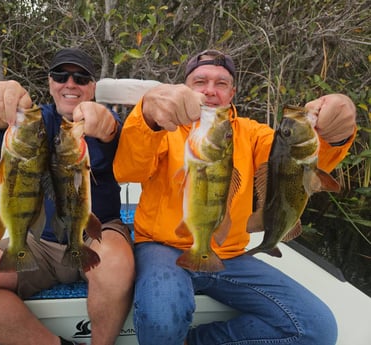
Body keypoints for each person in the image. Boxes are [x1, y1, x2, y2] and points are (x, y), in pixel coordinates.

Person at [113, 49, 356, 345]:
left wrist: (336, 133)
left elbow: (294, 163)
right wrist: (147, 116)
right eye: (200, 81)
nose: (210, 91)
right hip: (162, 246)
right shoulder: (163, 128)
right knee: (161, 317)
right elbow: (127, 171)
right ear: (185, 87)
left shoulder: (250, 133)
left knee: (317, 328)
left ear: (233, 93)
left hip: (229, 252)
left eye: (221, 83)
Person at [0, 48, 135, 345]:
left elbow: (113, 134)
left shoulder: (107, 119)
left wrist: (107, 126)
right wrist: (3, 106)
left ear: (92, 86)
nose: (70, 83)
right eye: (60, 75)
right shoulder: (33, 121)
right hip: (35, 239)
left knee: (115, 264)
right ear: (50, 82)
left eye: (80, 78)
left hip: (96, 232)